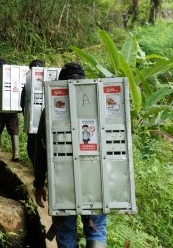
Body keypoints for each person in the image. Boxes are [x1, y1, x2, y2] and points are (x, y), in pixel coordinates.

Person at [33, 62, 108, 248]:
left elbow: (41, 149)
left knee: (65, 234)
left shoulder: (50, 109)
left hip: (62, 184)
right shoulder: (99, 103)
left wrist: (39, 183)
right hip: (96, 183)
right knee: (96, 230)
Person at [20, 59, 45, 166]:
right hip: (46, 122)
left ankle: (35, 165)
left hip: (32, 121)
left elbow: (22, 103)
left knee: (32, 145)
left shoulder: (27, 85)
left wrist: (26, 115)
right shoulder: (50, 81)